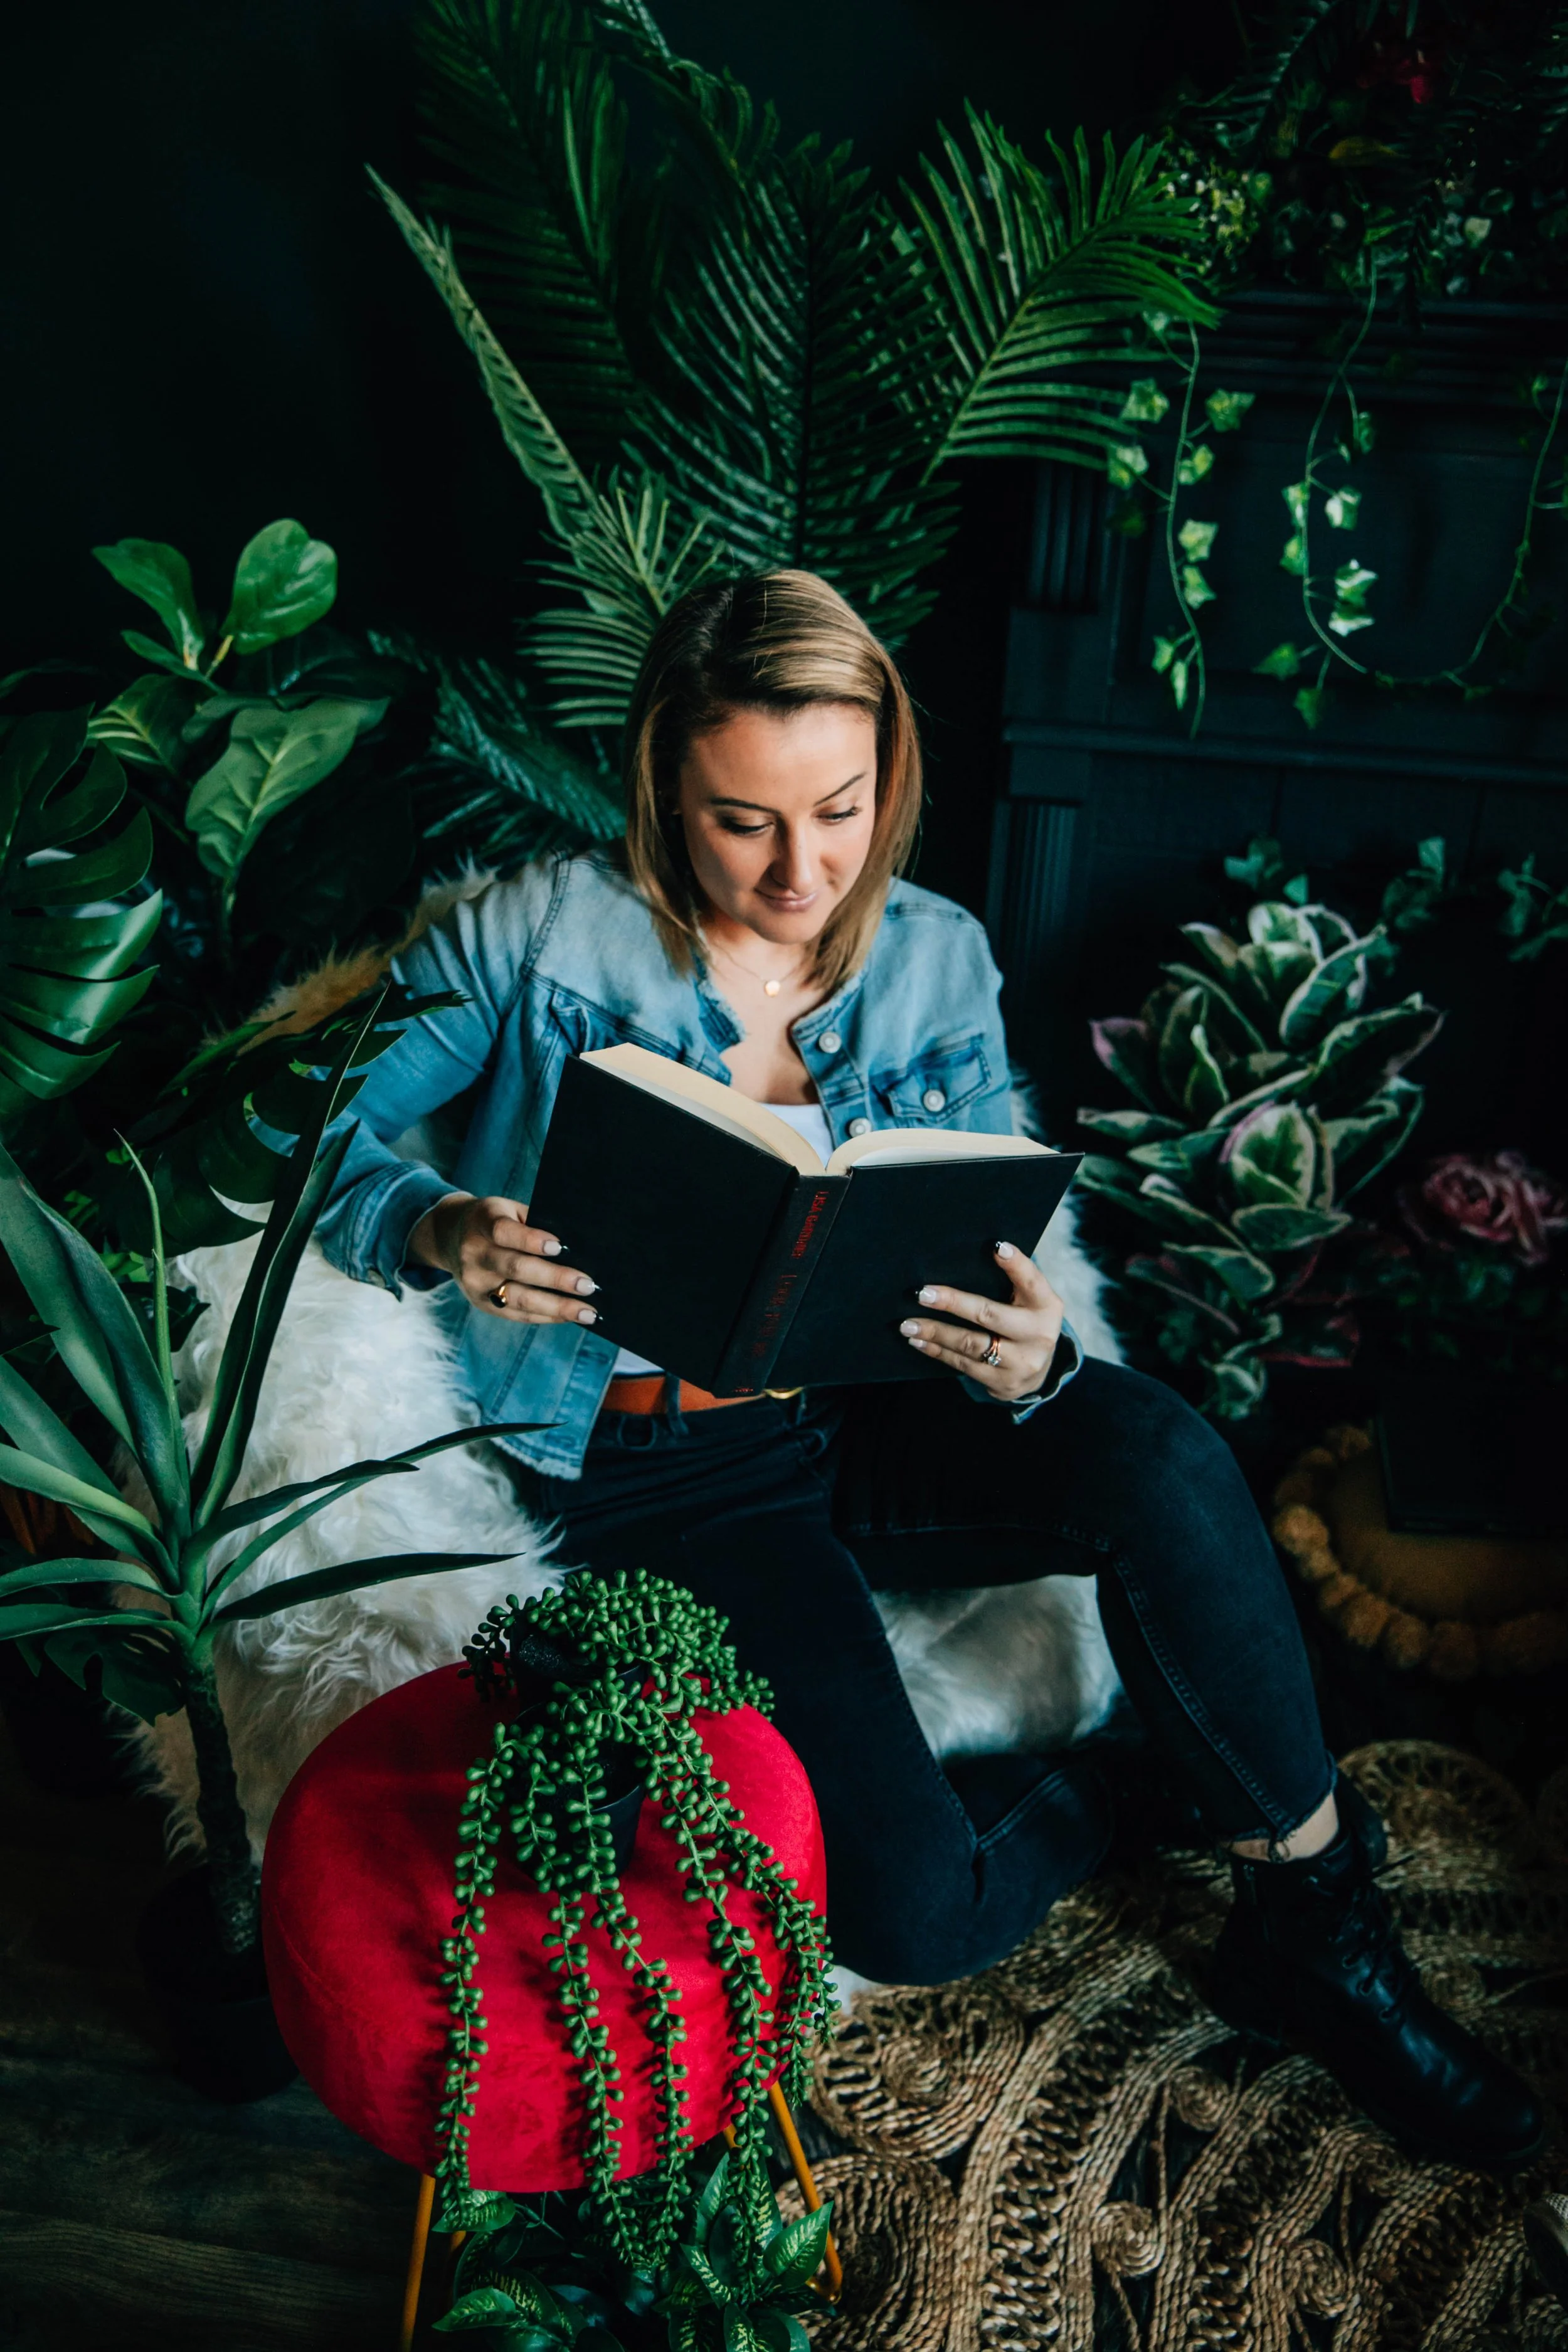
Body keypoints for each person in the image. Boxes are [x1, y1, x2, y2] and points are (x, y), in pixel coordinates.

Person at [317, 569, 1542, 2169]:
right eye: (739, 819)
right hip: (657, 1487)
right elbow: (305, 1145)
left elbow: (992, 1209)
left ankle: (1314, 1919)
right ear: (660, 787)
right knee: (917, 1912)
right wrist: (438, 1230)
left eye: (838, 808)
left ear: (886, 771)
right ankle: (1116, 1783)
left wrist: (1034, 1345)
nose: (801, 869)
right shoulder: (530, 935)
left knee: (1150, 1449)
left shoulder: (934, 958)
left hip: (869, 1409)